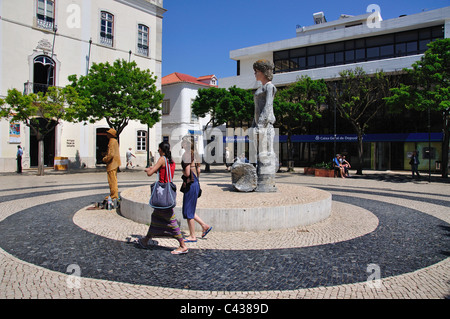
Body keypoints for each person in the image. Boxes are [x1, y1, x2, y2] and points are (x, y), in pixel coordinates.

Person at [137, 141, 188, 255]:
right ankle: (145, 240)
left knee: (171, 220)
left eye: (159, 148)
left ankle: (183, 245)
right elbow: (165, 173)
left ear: (161, 149)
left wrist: (147, 170)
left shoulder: (161, 159)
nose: (158, 150)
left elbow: (150, 173)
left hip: (162, 195)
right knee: (155, 217)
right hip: (167, 193)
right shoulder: (172, 161)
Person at [181, 136, 212, 243]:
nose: (182, 143)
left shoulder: (187, 155)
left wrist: (183, 172)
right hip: (196, 183)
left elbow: (187, 173)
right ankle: (204, 226)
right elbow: (198, 171)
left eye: (183, 142)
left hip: (190, 184)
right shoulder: (196, 154)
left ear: (187, 144)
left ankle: (192, 236)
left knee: (188, 211)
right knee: (190, 209)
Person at [102, 128, 121, 201]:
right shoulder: (115, 141)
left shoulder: (111, 141)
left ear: (110, 134)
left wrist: (105, 159)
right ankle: (113, 193)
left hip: (112, 163)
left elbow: (111, 154)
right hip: (115, 162)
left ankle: (114, 194)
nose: (107, 134)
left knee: (112, 180)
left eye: (108, 133)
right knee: (113, 179)